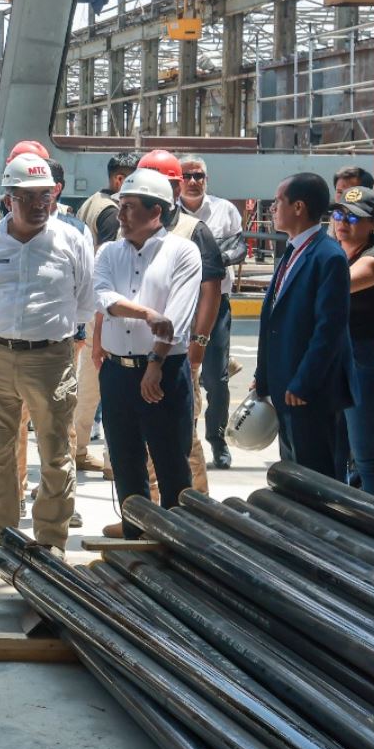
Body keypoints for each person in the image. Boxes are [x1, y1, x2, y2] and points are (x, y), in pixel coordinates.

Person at [0, 153, 96, 561]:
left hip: (51, 358)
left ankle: (50, 541)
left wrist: (62, 346)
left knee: (55, 454)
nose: (40, 205)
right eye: (29, 197)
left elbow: (86, 302)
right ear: (8, 198)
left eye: (46, 196)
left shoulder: (71, 240)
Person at [92, 169, 201, 538]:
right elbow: (103, 297)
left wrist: (155, 363)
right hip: (117, 372)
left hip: (164, 372)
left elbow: (179, 319)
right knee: (125, 463)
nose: (120, 215)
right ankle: (134, 536)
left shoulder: (182, 253)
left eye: (129, 207)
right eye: (120, 206)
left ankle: (176, 543)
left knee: (171, 464)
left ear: (157, 211)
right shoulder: (108, 252)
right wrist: (145, 314)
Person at [251, 173, 354, 478]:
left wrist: (304, 381)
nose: (272, 208)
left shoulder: (328, 256)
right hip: (285, 386)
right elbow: (273, 318)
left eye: (277, 201)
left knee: (317, 475)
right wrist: (264, 374)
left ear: (298, 207)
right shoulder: (291, 252)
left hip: (309, 391)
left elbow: (329, 330)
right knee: (294, 474)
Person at [136, 149, 226, 492]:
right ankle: (150, 508)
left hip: (177, 352)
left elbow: (211, 290)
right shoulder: (129, 223)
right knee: (143, 434)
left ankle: (194, 507)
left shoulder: (193, 230)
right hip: (137, 350)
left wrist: (198, 345)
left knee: (180, 432)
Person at [70, 153, 139, 477]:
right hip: (106, 310)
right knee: (111, 390)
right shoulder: (114, 212)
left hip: (89, 304)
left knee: (87, 388)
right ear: (119, 180)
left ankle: (78, 449)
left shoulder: (92, 203)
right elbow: (115, 268)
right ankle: (114, 462)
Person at [178, 155, 247, 469]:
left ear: (207, 179)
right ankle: (185, 438)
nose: (193, 181)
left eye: (199, 176)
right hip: (181, 306)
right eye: (187, 176)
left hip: (216, 304)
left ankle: (217, 439)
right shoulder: (168, 212)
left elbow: (239, 247)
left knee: (216, 380)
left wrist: (211, 258)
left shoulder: (224, 210)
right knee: (182, 374)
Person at [331, 187, 374, 498]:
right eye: (339, 214)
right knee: (340, 459)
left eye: (354, 218)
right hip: (343, 361)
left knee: (368, 461)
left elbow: (335, 286)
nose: (343, 222)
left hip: (368, 363)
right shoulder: (338, 253)